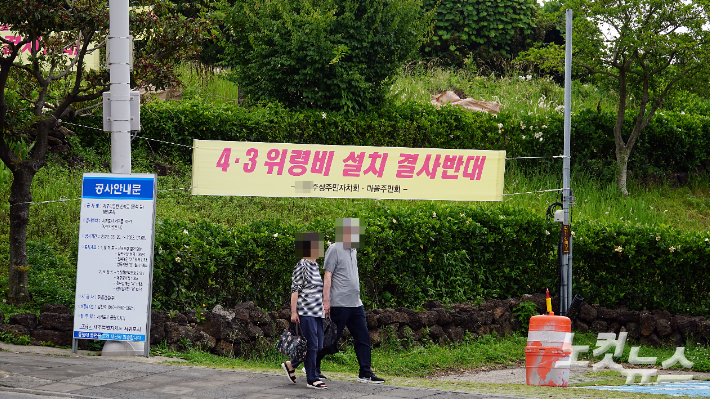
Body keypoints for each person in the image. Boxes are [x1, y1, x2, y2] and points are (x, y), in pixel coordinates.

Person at [322, 217, 385, 384]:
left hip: (356, 304)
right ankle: (312, 364)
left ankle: (365, 372)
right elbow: (328, 275)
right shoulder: (334, 248)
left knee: (363, 337)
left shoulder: (353, 249)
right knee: (330, 339)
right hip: (339, 303)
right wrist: (326, 301)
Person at [281, 232, 327, 389]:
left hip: (318, 312)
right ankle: (312, 379)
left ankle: (291, 364)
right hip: (306, 312)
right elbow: (295, 290)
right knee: (312, 344)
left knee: (319, 345)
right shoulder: (302, 265)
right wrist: (294, 312)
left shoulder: (315, 266)